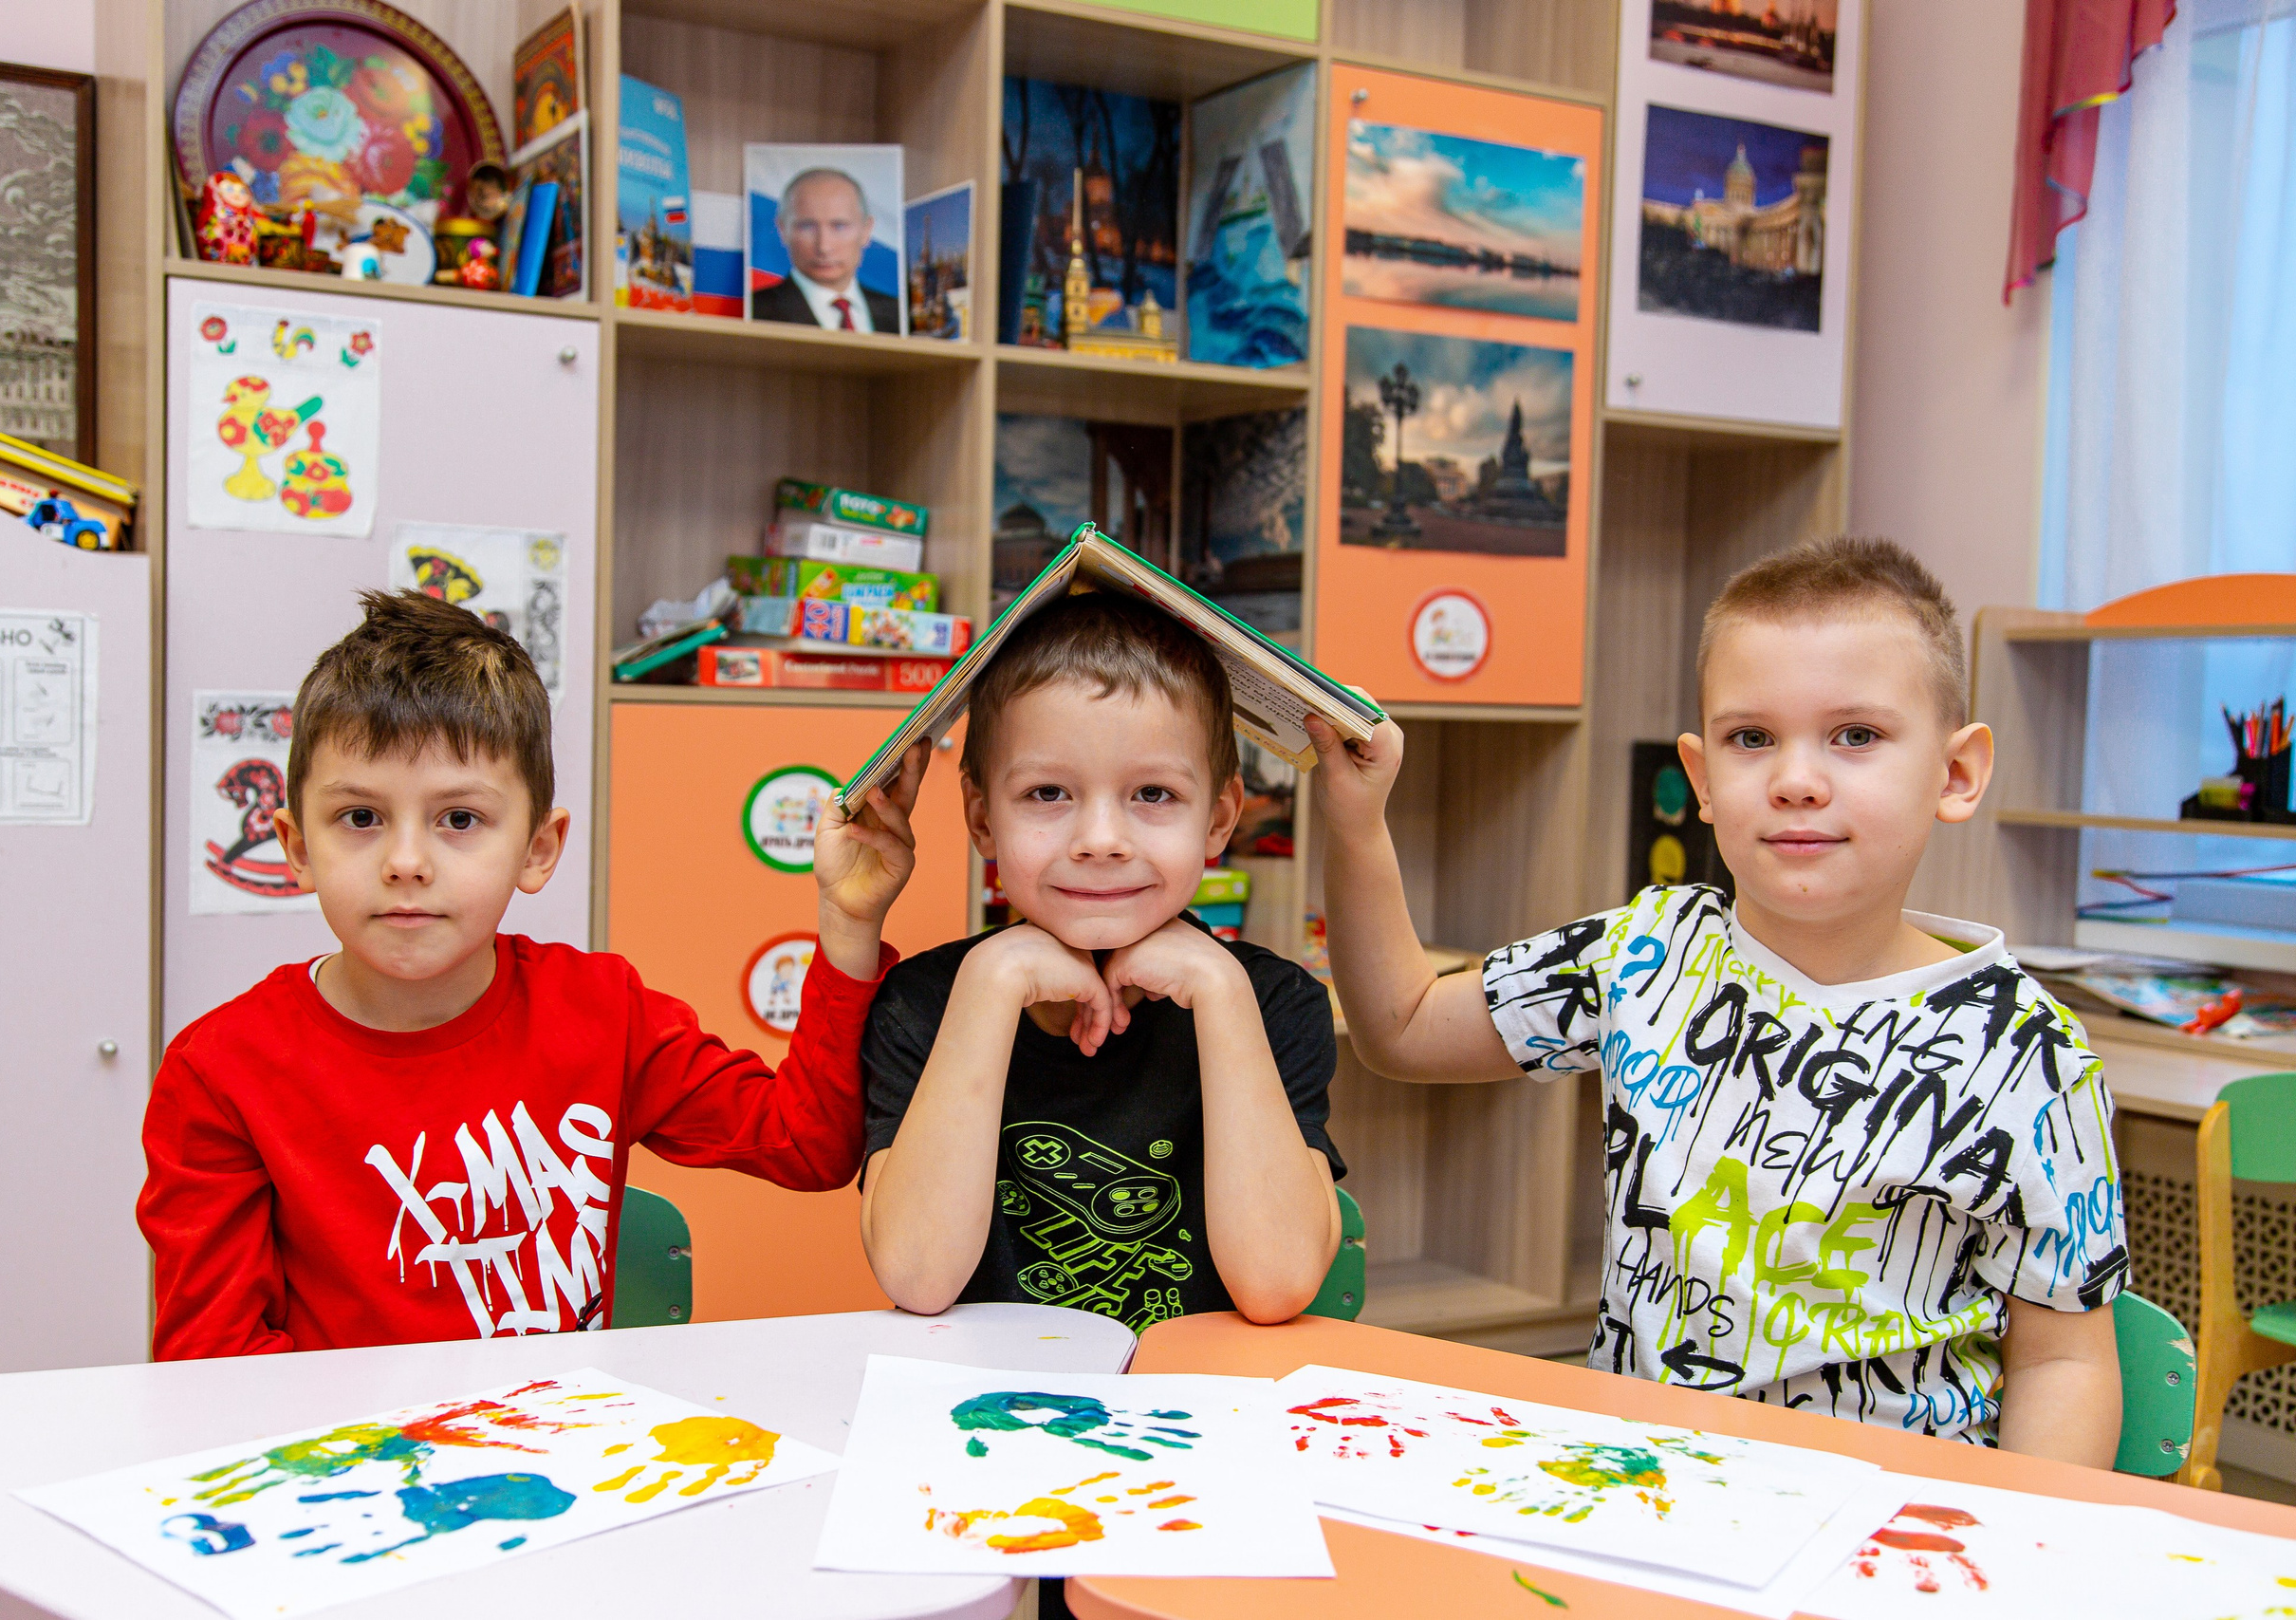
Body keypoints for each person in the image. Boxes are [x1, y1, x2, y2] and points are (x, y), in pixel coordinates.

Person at [1311, 537, 2130, 1463]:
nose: (1796, 780)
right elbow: (1403, 1026)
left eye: (1855, 736)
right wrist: (1357, 821)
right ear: (1700, 780)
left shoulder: (2031, 1054)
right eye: (1752, 739)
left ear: (1956, 774)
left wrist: (2010, 1537)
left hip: (1888, 1515)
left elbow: (2064, 1360)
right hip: (1644, 1487)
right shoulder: (1645, 953)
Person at [138, 590, 931, 1358]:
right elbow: (215, 1370)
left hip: (556, 1440)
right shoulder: (220, 1072)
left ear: (538, 848)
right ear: (297, 845)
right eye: (361, 818)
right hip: (351, 1451)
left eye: (459, 819)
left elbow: (806, 1144)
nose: (406, 862)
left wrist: (848, 924)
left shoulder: (603, 1011)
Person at [860, 590, 1343, 1333]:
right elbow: (918, 1276)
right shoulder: (921, 1004)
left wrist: (1221, 990)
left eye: (1153, 793)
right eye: (1048, 792)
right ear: (983, 819)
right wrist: (991, 983)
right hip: (990, 1398)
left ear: (1218, 818)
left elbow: (1277, 1283)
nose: (1100, 839)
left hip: (1197, 1396)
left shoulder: (1275, 1003)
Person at [751, 166, 902, 335]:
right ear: (782, 230)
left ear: (866, 230)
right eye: (807, 227)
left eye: (839, 226)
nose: (824, 247)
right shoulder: (755, 312)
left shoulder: (899, 314)